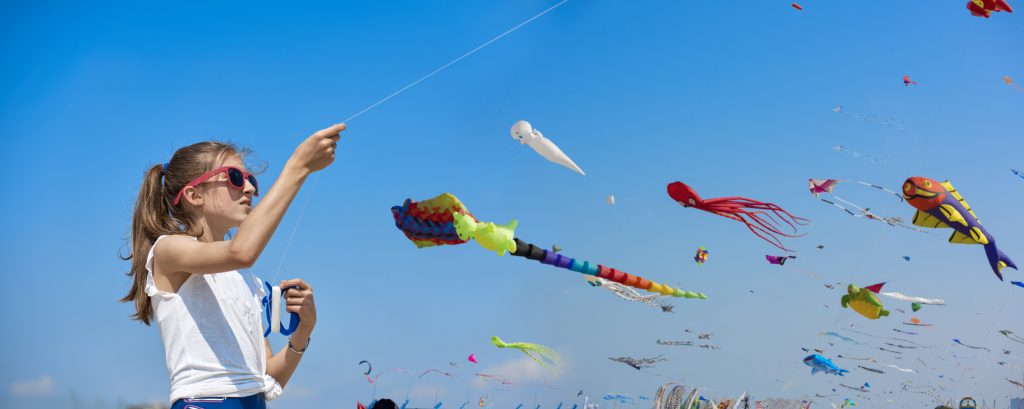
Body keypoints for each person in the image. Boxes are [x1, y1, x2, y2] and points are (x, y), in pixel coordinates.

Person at [122, 123, 346, 408]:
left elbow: (267, 377)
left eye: (251, 179)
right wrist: (297, 167)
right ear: (194, 195)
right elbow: (242, 251)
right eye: (235, 177)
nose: (251, 187)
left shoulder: (248, 281)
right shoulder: (168, 249)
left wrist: (304, 330)